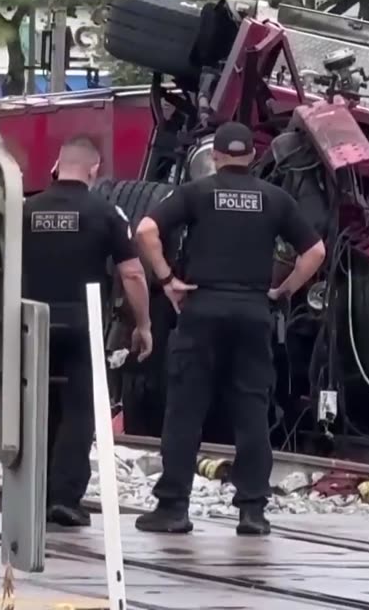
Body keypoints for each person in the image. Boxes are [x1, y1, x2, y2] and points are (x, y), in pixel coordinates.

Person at [132, 121, 326, 537]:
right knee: (251, 411)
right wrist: (284, 290)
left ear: (215, 156)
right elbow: (316, 251)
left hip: (202, 308)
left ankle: (173, 509)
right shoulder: (275, 199)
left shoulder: (196, 193)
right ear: (252, 157)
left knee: (186, 410)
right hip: (254, 311)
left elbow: (146, 230)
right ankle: (252, 512)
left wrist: (168, 281)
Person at [22, 136, 153, 527]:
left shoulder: (27, 209)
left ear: (56, 166)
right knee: (80, 409)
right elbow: (131, 272)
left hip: (32, 321)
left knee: (37, 408)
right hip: (84, 323)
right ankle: (64, 498)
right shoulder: (105, 213)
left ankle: (35, 492)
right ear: (94, 169)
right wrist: (143, 324)